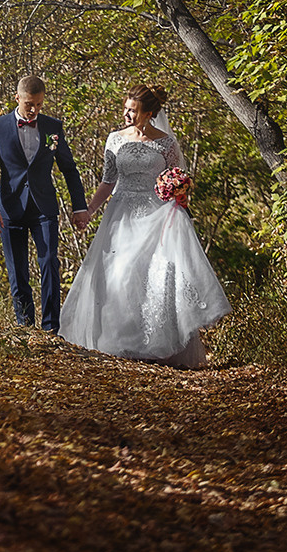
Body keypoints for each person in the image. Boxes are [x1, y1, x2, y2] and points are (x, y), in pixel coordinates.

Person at [57, 85, 230, 368]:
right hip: (121, 215)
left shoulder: (166, 144)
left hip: (156, 216)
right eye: (125, 108)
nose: (127, 114)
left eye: (133, 111)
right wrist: (89, 210)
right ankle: (120, 342)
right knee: (120, 275)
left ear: (149, 114)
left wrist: (179, 192)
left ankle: (156, 346)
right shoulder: (114, 140)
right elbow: (108, 181)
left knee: (154, 278)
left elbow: (175, 178)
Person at [0, 72, 91, 334]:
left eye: (39, 104)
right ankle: (25, 327)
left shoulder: (53, 127)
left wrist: (79, 206)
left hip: (43, 208)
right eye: (29, 104)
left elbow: (69, 168)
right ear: (17, 98)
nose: (34, 110)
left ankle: (51, 328)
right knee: (17, 271)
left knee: (50, 262)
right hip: (10, 209)